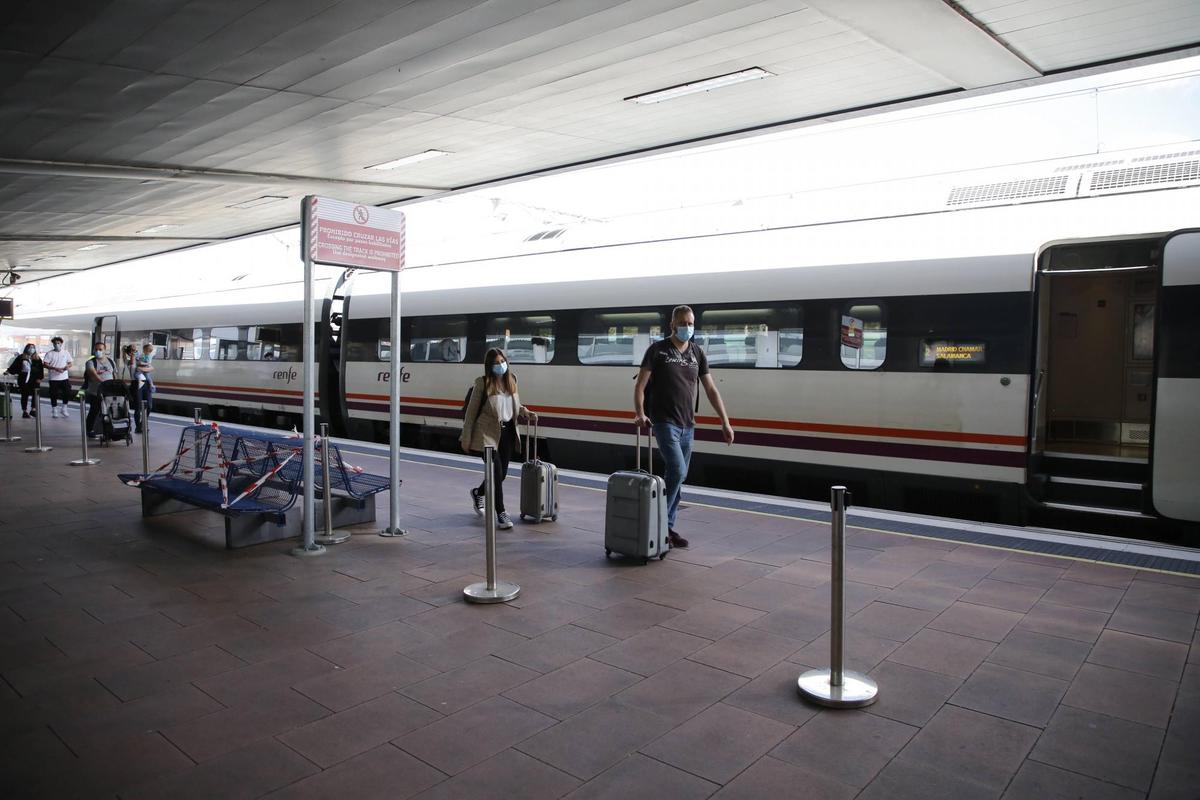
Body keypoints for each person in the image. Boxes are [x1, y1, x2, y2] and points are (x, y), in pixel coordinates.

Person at [634, 305, 735, 548]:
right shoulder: (657, 351)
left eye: (690, 323)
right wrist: (639, 413)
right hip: (663, 421)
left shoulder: (697, 353)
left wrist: (725, 421)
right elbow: (640, 385)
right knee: (678, 470)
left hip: (688, 424)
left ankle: (666, 527)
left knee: (677, 477)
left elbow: (711, 389)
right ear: (672, 325)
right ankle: (659, 524)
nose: (687, 327)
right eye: (682, 323)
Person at [460, 348, 538, 530]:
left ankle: (478, 492)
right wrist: (466, 436)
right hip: (487, 435)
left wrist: (525, 412)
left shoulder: (512, 380)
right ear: (489, 365)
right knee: (495, 474)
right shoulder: (482, 383)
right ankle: (501, 513)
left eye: (502, 361)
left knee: (500, 476)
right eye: (495, 363)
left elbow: (515, 404)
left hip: (507, 434)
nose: (500, 365)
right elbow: (470, 414)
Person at [83, 341, 116, 435]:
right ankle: (89, 429)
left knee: (108, 411)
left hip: (108, 392)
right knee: (95, 410)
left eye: (100, 349)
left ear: (105, 350)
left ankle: (105, 429)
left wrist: (115, 385)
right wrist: (104, 383)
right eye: (96, 349)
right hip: (95, 391)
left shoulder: (111, 361)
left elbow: (114, 374)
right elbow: (93, 374)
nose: (98, 351)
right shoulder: (90, 362)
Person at [5, 343, 44, 418]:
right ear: (26, 348)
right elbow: (14, 366)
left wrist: (40, 378)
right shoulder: (21, 357)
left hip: (35, 379)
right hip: (24, 379)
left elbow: (40, 369)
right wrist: (8, 371)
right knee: (24, 395)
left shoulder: (37, 358)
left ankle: (33, 409)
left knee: (35, 395)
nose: (32, 349)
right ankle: (24, 411)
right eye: (30, 347)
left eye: (33, 347)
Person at [42, 336, 73, 418]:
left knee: (67, 392)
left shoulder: (66, 352)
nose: (57, 345)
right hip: (53, 378)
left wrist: (67, 367)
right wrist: (55, 368)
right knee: (53, 394)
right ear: (53, 344)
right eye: (55, 343)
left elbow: (70, 363)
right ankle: (54, 409)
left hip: (64, 377)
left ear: (61, 344)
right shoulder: (50, 353)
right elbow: (45, 364)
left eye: (58, 343)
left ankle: (64, 408)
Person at [133, 343, 155, 432]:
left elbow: (151, 368)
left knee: (149, 406)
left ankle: (143, 424)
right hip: (138, 382)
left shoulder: (147, 356)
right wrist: (145, 367)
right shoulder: (137, 357)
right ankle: (138, 427)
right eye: (132, 350)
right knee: (138, 407)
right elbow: (136, 367)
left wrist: (142, 368)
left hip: (146, 383)